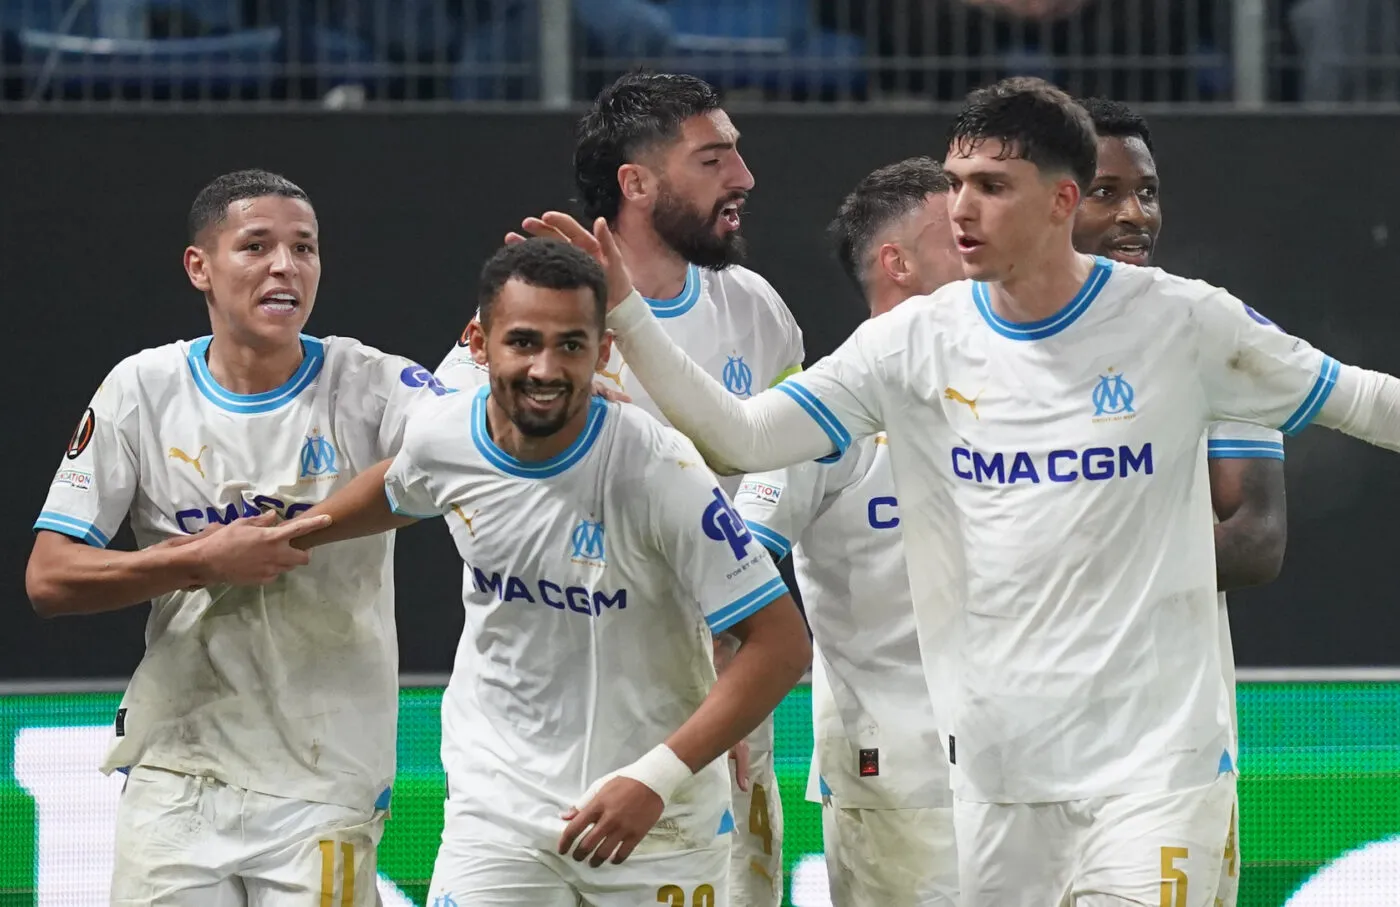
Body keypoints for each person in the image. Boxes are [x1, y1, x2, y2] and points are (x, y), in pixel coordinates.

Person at [514, 76, 1400, 906]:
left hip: (1153, 768)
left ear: (1061, 200)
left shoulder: (1181, 320)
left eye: (993, 186)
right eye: (957, 181)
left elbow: (1367, 402)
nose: (964, 208)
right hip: (991, 780)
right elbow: (741, 437)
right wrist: (625, 310)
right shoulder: (911, 345)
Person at [286, 238, 813, 906]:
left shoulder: (660, 467)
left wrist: (657, 775)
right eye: (523, 341)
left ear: (605, 352)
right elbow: (397, 488)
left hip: (656, 824)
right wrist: (295, 535)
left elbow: (782, 642)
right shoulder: (444, 434)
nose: (545, 367)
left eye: (570, 345)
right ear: (479, 344)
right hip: (497, 817)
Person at [24, 169, 454, 904]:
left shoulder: (372, 382)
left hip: (327, 778)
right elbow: (49, 578)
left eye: (304, 248)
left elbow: (460, 451)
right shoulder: (140, 389)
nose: (286, 266)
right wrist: (199, 559)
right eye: (256, 246)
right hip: (178, 772)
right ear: (200, 266)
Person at [439, 69, 807, 907]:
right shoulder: (546, 306)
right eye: (714, 159)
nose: (743, 178)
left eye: (737, 156)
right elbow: (437, 443)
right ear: (637, 183)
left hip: (712, 703)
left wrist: (735, 600)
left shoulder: (754, 309)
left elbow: (788, 460)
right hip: (538, 721)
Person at [732, 157, 963, 907]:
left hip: (1032, 768)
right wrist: (725, 707)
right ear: (895, 262)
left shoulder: (1013, 395)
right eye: (956, 235)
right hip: (898, 777)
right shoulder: (825, 410)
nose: (983, 244)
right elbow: (739, 561)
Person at [1071, 97, 1285, 907]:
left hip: (1166, 742)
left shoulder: (1213, 332)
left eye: (1148, 192)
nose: (1135, 215)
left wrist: (1067, 554)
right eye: (1106, 191)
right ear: (1052, 197)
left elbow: (1257, 537)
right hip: (1002, 751)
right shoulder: (966, 342)